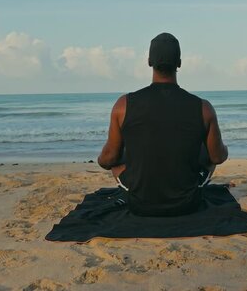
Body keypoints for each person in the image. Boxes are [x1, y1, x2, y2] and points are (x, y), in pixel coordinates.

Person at [97, 32, 229, 216]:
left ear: (149, 62)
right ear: (179, 63)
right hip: (187, 203)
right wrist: (221, 148)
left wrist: (120, 156)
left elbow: (108, 160)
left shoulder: (123, 105)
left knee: (118, 154)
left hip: (139, 204)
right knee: (206, 150)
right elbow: (218, 157)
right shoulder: (203, 108)